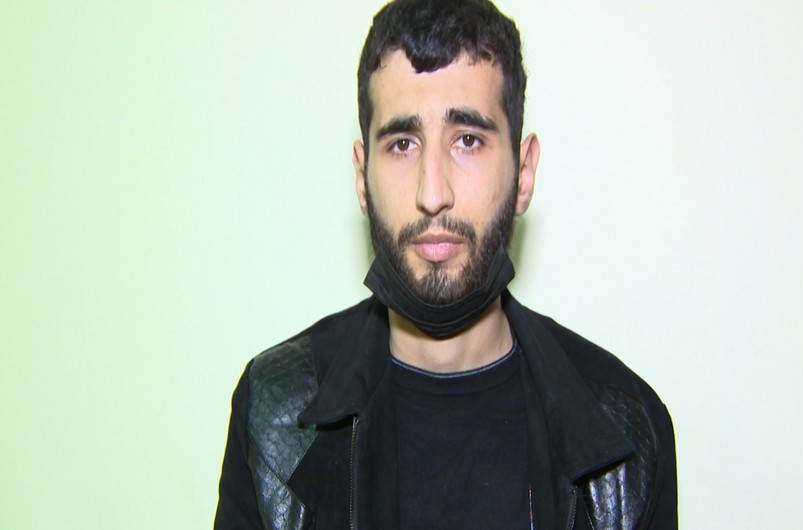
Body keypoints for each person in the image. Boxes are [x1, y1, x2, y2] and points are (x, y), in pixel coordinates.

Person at [214, 0, 677, 528]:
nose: (432, 194)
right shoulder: (272, 410)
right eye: (402, 144)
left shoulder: (631, 437)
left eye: (468, 141)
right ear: (362, 179)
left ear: (524, 174)